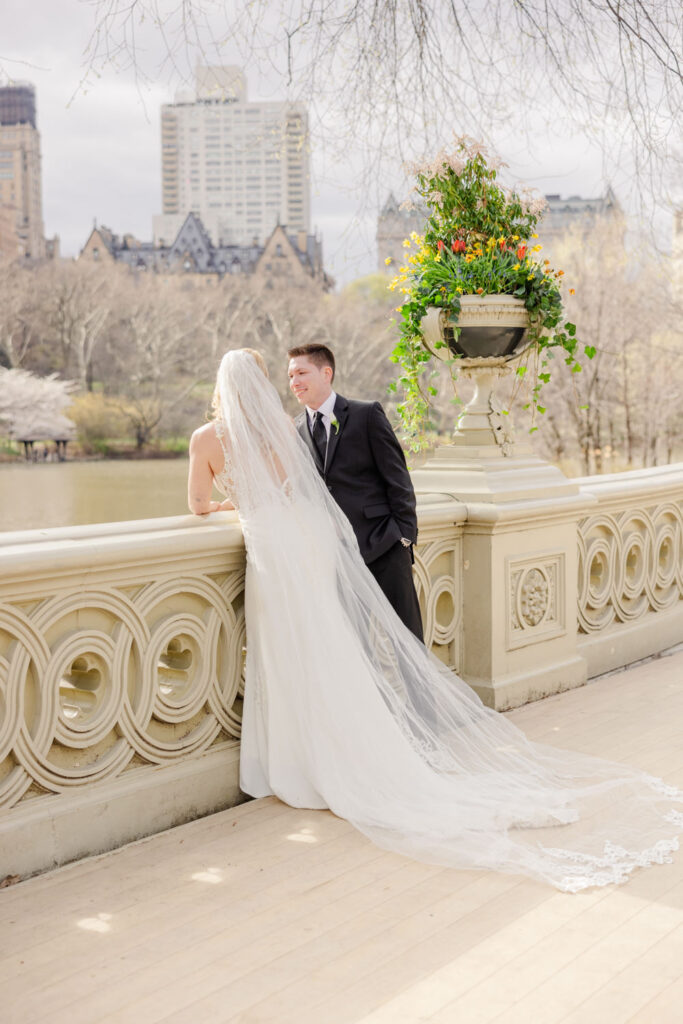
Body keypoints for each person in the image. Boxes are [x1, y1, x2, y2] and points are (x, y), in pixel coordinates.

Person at [188, 348, 683, 892]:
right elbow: (301, 490)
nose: (292, 381)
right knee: (325, 648)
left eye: (300, 372)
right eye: (283, 375)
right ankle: (351, 750)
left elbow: (198, 504)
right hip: (306, 545)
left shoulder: (216, 439)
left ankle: (305, 759)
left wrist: (243, 509)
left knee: (299, 652)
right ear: (263, 383)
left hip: (295, 552)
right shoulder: (287, 429)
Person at [288, 343, 423, 641]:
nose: (294, 382)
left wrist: (404, 537)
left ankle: (418, 691)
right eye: (290, 376)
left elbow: (398, 479)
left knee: (408, 641)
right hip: (337, 557)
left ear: (326, 373)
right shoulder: (296, 429)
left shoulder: (366, 414)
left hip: (385, 545)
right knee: (355, 646)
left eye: (301, 373)